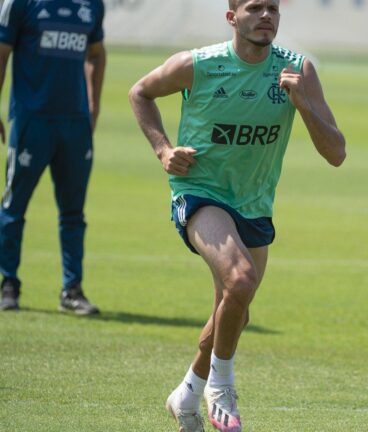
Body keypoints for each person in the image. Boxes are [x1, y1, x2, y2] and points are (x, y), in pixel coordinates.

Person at [128, 0, 346, 430]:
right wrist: (163, 150)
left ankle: (187, 392)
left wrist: (301, 101)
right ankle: (221, 386)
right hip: (200, 193)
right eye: (254, 8)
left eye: (273, 8)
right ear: (232, 17)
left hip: (255, 205)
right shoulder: (199, 64)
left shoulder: (298, 70)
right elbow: (141, 92)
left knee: (234, 310)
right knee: (241, 278)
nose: (266, 15)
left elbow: (336, 153)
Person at [0, 0, 106, 314]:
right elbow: (2, 53)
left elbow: (97, 54)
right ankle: (9, 284)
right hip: (32, 121)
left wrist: (93, 104)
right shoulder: (20, 3)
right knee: (13, 205)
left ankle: (72, 290)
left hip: (75, 124)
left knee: (74, 212)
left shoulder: (91, 5)